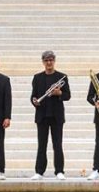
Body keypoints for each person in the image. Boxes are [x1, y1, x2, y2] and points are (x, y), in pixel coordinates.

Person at [30, 50, 70, 180]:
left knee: (57, 144)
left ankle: (59, 171)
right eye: (46, 60)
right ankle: (39, 171)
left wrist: (59, 94)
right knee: (42, 144)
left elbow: (67, 96)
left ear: (54, 61)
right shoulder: (37, 77)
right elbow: (33, 96)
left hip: (56, 116)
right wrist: (34, 101)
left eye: (51, 60)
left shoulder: (62, 77)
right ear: (43, 62)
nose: (49, 62)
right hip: (42, 115)